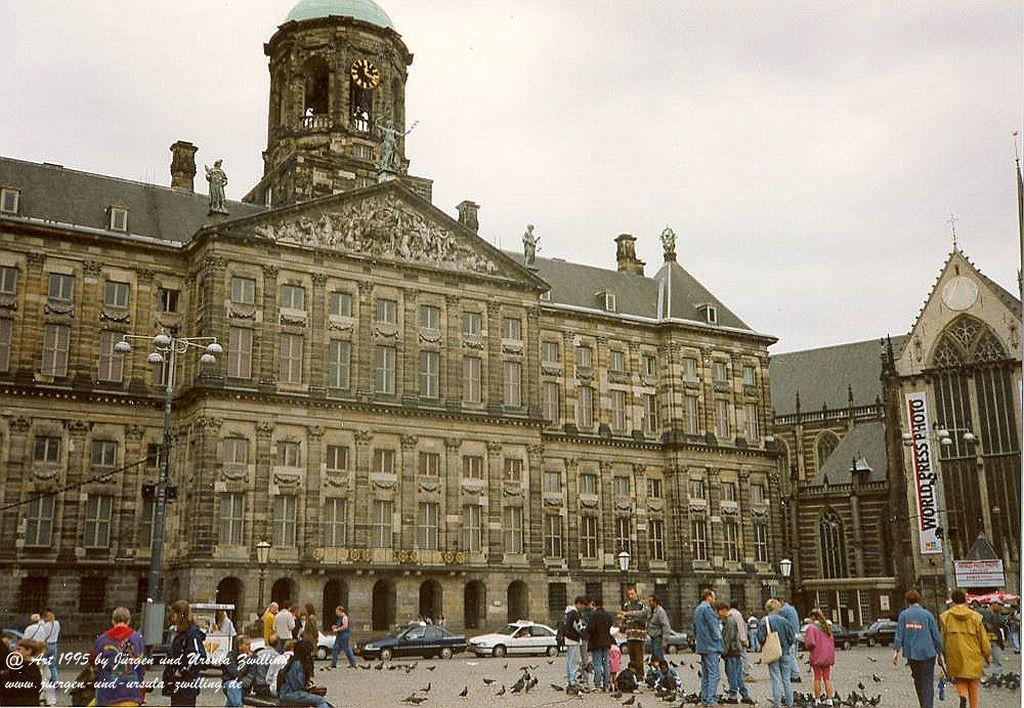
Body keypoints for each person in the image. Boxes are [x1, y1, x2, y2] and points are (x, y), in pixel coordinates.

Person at [893, 588, 945, 708]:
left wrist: (896, 651)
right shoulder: (927, 615)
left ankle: (923, 704)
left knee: (918, 681)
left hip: (912, 655)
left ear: (907, 601)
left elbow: (899, 635)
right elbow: (935, 635)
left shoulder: (903, 615)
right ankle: (927, 705)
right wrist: (940, 653)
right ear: (919, 600)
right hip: (928, 653)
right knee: (927, 682)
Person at [941, 589, 991, 708]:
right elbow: (983, 639)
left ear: (953, 600)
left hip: (955, 654)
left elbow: (943, 638)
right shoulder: (975, 617)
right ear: (965, 600)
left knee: (960, 679)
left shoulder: (945, 617)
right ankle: (973, 706)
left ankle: (962, 695)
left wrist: (944, 655)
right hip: (973, 654)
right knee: (973, 683)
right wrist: (987, 655)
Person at [91, 607, 147, 707]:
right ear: (129, 621)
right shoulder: (138, 639)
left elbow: (94, 665)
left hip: (108, 694)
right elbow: (141, 667)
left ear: (113, 621)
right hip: (131, 692)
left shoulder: (101, 640)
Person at [162, 599, 208, 706]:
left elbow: (198, 656)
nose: (171, 616)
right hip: (177, 684)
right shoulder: (180, 633)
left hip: (186, 685)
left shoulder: (192, 634)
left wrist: (183, 671)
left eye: (174, 613)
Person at [758, 599, 796, 708]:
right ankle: (790, 703)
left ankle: (777, 703)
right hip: (785, 651)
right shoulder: (785, 621)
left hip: (772, 652)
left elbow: (761, 638)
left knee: (775, 679)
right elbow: (791, 637)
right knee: (786, 679)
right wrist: (786, 646)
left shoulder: (764, 621)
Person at [279, 640, 333, 708]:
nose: (310, 655)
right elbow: (297, 685)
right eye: (309, 652)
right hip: (289, 694)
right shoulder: (297, 664)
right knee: (319, 700)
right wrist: (308, 688)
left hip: (290, 692)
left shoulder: (295, 661)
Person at [694, 588, 724, 708]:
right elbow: (714, 627)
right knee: (714, 674)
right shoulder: (707, 609)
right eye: (713, 596)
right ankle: (711, 700)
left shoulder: (698, 609)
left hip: (702, 646)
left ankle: (705, 699)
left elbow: (695, 627)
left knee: (706, 674)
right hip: (711, 646)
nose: (714, 599)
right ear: (709, 597)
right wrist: (719, 641)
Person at [720, 601, 754, 705]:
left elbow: (728, 638)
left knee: (732, 674)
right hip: (736, 650)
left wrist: (723, 651)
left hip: (731, 651)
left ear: (723, 610)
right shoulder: (734, 617)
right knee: (738, 675)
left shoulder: (729, 620)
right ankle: (745, 695)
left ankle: (733, 696)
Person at [804, 608, 836, 707]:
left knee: (817, 677)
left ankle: (817, 699)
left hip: (817, 655)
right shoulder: (827, 627)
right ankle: (829, 699)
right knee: (827, 678)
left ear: (813, 617)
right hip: (827, 656)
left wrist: (807, 646)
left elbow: (810, 643)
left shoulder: (812, 628)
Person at [0, 638, 45, 706]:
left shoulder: (30, 668)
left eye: (19, 649)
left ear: (28, 651)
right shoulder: (21, 665)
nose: (15, 652)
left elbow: (19, 688)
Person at [619, 586, 650, 679]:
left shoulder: (642, 605)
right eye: (629, 594)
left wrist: (630, 617)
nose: (631, 596)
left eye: (632, 594)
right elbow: (623, 620)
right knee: (632, 658)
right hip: (630, 635)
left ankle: (640, 677)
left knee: (639, 658)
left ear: (636, 593)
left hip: (639, 635)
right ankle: (633, 677)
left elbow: (644, 618)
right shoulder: (626, 605)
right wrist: (622, 622)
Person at [223, 634, 259, 707]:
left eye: (250, 644)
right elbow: (236, 673)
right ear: (239, 646)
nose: (249, 647)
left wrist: (243, 683)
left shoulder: (253, 656)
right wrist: (245, 662)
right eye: (247, 645)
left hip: (244, 686)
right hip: (229, 683)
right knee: (234, 686)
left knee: (232, 698)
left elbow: (252, 673)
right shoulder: (231, 656)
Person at [587, 598, 614, 692]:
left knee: (597, 664)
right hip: (606, 641)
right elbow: (610, 625)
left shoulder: (593, 615)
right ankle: (606, 685)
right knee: (606, 664)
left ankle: (598, 685)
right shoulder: (608, 615)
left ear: (594, 604)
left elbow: (590, 628)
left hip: (596, 642)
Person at [563, 596, 586, 692]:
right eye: (583, 605)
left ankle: (570, 680)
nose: (583, 608)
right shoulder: (575, 614)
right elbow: (579, 627)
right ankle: (572, 682)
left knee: (569, 661)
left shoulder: (568, 612)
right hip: (574, 639)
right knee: (574, 661)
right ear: (579, 603)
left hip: (568, 638)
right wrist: (584, 631)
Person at [779, 597, 801, 683]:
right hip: (795, 634)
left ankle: (796, 675)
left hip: (789, 636)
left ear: (781, 601)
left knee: (790, 657)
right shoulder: (792, 608)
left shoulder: (784, 610)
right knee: (793, 656)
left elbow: (779, 621)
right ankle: (793, 674)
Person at [646, 594, 671, 667]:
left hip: (658, 637)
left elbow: (666, 626)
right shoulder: (650, 610)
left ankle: (663, 670)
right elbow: (641, 613)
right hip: (652, 637)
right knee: (654, 657)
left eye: (650, 601)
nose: (649, 603)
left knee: (658, 656)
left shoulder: (660, 611)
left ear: (655, 602)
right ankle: (656, 671)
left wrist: (665, 640)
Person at [42, 610, 60, 706]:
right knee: (53, 665)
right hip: (54, 645)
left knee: (43, 665)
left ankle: (45, 681)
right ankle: (55, 681)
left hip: (46, 645)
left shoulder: (45, 625)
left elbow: (43, 635)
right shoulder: (57, 623)